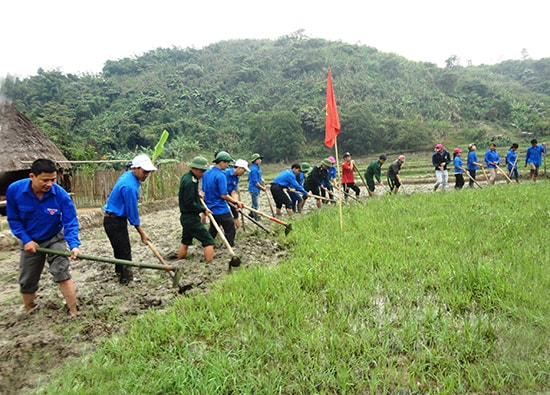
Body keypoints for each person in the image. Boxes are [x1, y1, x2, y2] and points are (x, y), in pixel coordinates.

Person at [6, 158, 80, 316]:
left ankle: (74, 312)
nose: (49, 184)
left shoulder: (60, 195)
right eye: (45, 180)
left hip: (55, 237)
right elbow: (14, 220)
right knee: (27, 280)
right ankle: (29, 311)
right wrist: (26, 240)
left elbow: (70, 221)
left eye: (53, 180)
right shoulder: (15, 191)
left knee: (62, 273)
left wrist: (74, 245)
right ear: (32, 176)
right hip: (31, 240)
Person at [103, 154, 156, 285]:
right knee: (124, 250)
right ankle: (126, 279)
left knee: (119, 249)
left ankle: (120, 273)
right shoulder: (130, 187)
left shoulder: (128, 176)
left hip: (112, 220)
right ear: (135, 168)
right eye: (144, 172)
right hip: (114, 221)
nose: (146, 175)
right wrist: (142, 234)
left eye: (148, 172)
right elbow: (132, 214)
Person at [202, 151, 245, 247]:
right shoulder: (221, 176)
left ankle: (208, 244)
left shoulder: (206, 173)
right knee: (230, 227)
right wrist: (236, 202)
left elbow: (204, 190)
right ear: (222, 162)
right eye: (227, 163)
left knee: (214, 227)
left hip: (209, 206)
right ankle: (229, 246)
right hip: (220, 207)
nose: (228, 166)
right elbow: (224, 195)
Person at [177, 156, 215, 262]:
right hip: (191, 218)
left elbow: (186, 195)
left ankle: (180, 261)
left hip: (185, 218)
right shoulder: (190, 182)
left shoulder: (187, 177)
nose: (203, 174)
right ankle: (209, 264)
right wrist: (203, 209)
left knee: (185, 241)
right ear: (195, 169)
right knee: (209, 241)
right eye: (202, 171)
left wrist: (196, 194)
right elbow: (189, 203)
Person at [225, 159, 249, 228]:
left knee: (235, 212)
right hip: (220, 196)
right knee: (222, 215)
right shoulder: (225, 173)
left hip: (229, 195)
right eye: (244, 170)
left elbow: (233, 192)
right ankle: (218, 236)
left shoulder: (236, 178)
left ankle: (239, 229)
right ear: (239, 168)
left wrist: (236, 202)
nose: (244, 172)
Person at [247, 153, 266, 220]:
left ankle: (251, 213)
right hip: (254, 188)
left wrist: (262, 179)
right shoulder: (253, 169)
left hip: (256, 188)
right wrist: (262, 188)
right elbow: (255, 182)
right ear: (255, 160)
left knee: (254, 202)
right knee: (255, 204)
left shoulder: (257, 168)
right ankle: (256, 216)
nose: (260, 160)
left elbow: (259, 176)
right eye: (259, 159)